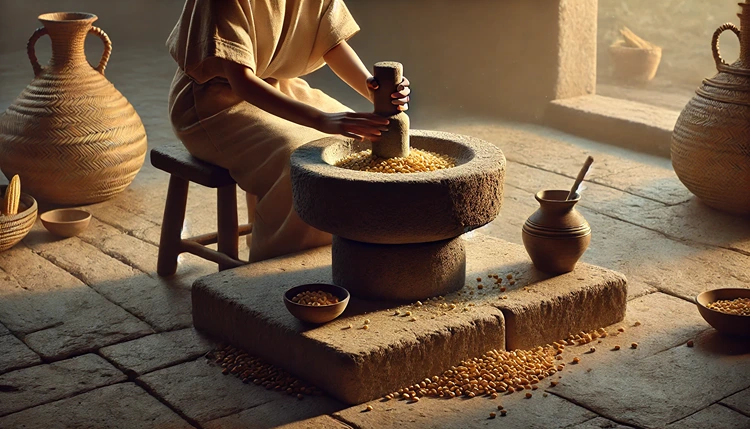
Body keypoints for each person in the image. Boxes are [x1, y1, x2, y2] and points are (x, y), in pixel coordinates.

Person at [166, 0, 410, 262]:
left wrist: (377, 93)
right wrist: (321, 120)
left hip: (276, 86)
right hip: (211, 104)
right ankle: (281, 272)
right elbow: (242, 81)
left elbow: (331, 42)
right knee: (301, 161)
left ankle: (346, 256)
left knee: (360, 143)